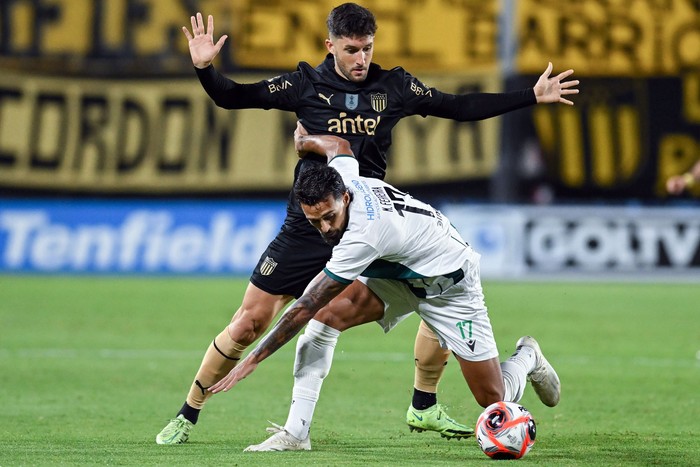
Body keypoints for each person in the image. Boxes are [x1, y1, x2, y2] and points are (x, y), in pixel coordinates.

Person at [156, 2, 578, 446]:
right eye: (351, 49)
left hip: (364, 225)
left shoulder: (393, 86)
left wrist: (529, 95)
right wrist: (206, 69)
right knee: (248, 323)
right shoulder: (304, 83)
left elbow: (457, 106)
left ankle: (425, 404)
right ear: (330, 45)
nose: (361, 59)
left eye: (367, 49)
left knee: (420, 290)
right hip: (310, 224)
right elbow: (234, 96)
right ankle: (189, 413)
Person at [208, 129, 561, 454]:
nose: (325, 228)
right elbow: (340, 147)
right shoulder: (341, 178)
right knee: (326, 320)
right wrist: (306, 141)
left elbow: (304, 304)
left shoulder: (363, 234)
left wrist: (251, 361)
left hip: (448, 283)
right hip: (397, 273)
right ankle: (296, 432)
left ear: (344, 198)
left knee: (493, 399)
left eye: (330, 216)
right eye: (315, 221)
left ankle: (527, 356)